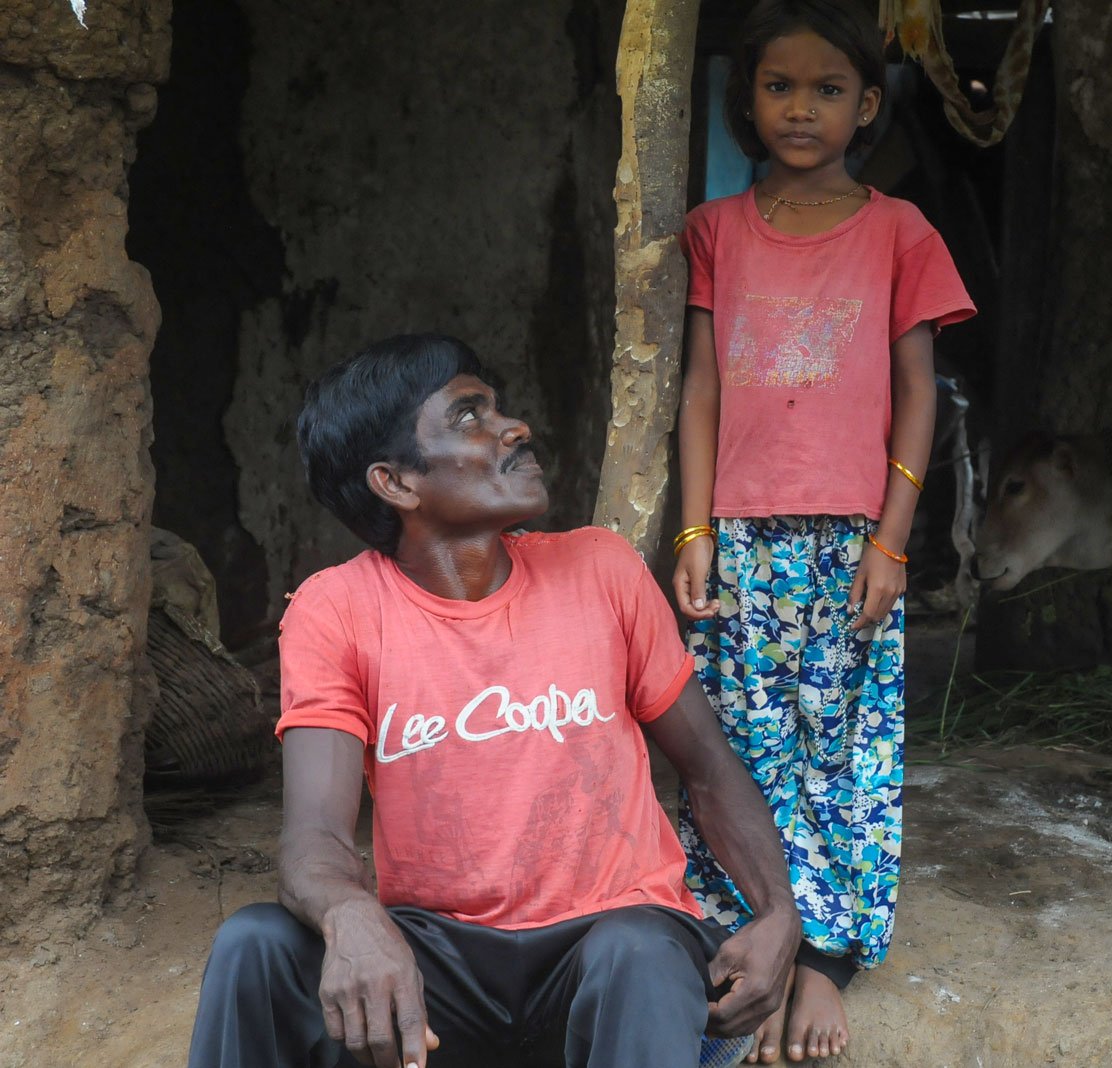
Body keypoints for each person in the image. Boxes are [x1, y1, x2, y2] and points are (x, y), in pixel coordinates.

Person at [186, 334, 801, 1068]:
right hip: (440, 968)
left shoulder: (602, 570)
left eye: (497, 409)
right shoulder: (336, 609)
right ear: (396, 483)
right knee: (257, 943)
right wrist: (350, 911)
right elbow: (314, 834)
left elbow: (708, 766)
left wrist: (779, 914)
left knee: (641, 946)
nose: (515, 428)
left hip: (606, 956)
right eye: (470, 416)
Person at [671, 2, 977, 1063]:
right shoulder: (714, 229)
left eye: (826, 89)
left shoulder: (900, 232)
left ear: (866, 106)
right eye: (777, 86)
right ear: (743, 101)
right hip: (742, 538)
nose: (800, 108)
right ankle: (748, 932)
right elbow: (701, 387)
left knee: (840, 743)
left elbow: (915, 393)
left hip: (850, 540)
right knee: (739, 740)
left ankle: (822, 959)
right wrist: (692, 527)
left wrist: (894, 541)